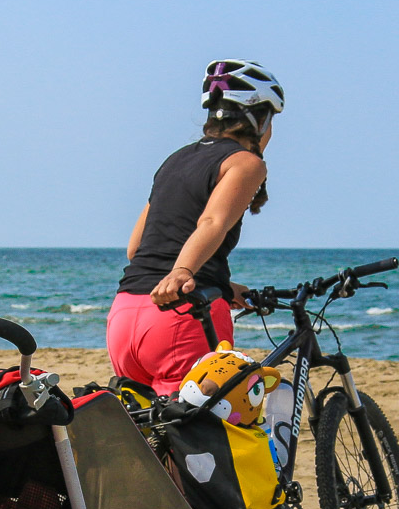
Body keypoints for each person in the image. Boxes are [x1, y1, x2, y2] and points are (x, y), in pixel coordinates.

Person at [107, 59, 283, 396]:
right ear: (259, 119)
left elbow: (137, 248)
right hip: (179, 319)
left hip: (125, 316)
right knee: (203, 438)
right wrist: (184, 270)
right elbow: (212, 222)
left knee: (145, 438)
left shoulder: (176, 159)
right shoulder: (246, 163)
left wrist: (222, 284)